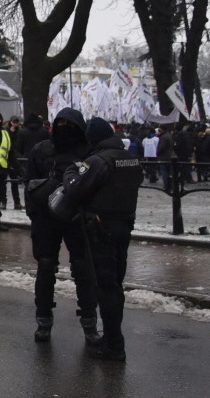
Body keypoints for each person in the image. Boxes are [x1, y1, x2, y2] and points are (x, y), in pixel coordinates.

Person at [50, 118, 143, 362]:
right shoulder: (129, 157)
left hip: (101, 228)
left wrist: (72, 170)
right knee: (115, 284)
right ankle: (113, 338)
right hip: (124, 224)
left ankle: (114, 344)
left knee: (106, 286)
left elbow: (76, 187)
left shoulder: (97, 161)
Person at [25, 107, 100, 344]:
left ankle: (89, 323)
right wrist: (35, 212)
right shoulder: (43, 150)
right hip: (47, 218)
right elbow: (29, 184)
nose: (64, 129)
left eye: (69, 125)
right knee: (47, 267)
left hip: (77, 217)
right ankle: (44, 320)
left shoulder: (88, 152)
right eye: (61, 124)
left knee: (83, 269)